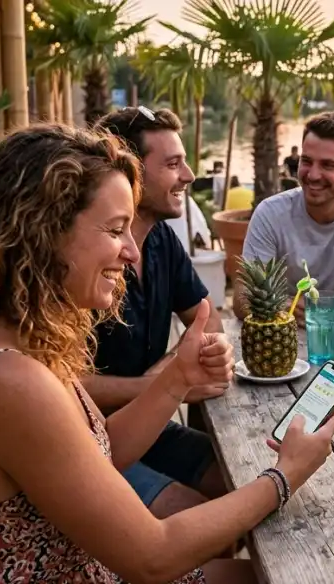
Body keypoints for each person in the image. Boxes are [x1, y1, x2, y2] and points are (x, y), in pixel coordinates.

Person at [0, 124, 334, 582]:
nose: (133, 252)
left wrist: (177, 378)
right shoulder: (9, 382)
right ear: (42, 233)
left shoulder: (20, 343)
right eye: (117, 230)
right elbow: (152, 555)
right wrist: (285, 476)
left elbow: (101, 454)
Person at [91, 107, 229, 521]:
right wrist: (167, 383)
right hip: (86, 439)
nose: (188, 175)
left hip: (150, 425)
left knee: (239, 479)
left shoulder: (162, 240)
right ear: (129, 171)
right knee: (202, 521)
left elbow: (209, 320)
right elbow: (61, 384)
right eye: (172, 164)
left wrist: (171, 370)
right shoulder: (85, 261)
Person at [237, 112, 334, 320]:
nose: (313, 175)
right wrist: (281, 306)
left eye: (327, 165)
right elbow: (242, 298)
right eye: (307, 161)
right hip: (284, 329)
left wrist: (309, 304)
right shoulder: (270, 213)